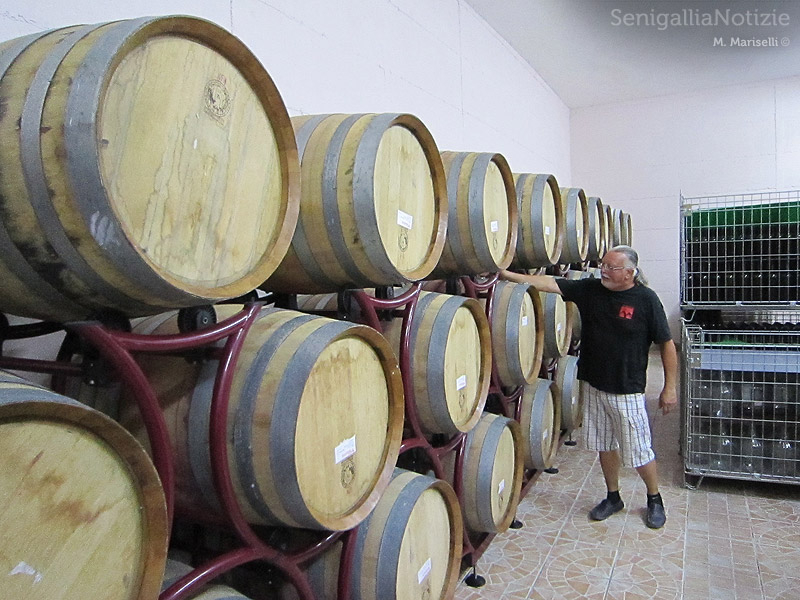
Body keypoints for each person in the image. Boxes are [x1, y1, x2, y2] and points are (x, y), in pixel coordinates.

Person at [501, 245, 678, 529]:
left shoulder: (646, 300)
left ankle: (654, 498)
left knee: (639, 450)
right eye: (603, 265)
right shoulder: (591, 289)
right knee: (604, 445)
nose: (603, 271)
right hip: (594, 383)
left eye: (611, 267)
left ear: (629, 273)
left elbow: (667, 345)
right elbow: (549, 283)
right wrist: (507, 274)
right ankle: (613, 496)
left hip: (627, 388)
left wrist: (669, 388)